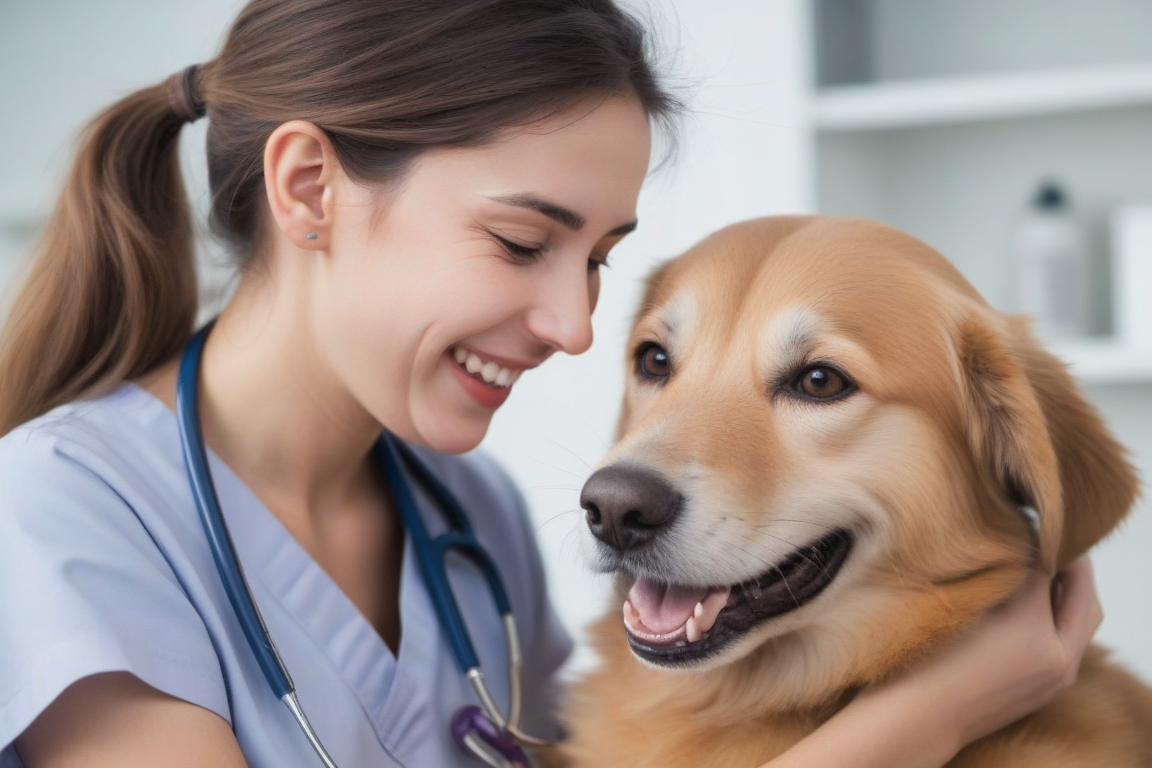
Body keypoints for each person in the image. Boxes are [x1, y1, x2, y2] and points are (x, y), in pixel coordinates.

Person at [0, 1, 1103, 767]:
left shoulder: (464, 512)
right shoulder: (58, 517)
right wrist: (924, 724)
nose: (577, 329)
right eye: (523, 240)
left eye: (598, 259)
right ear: (309, 189)